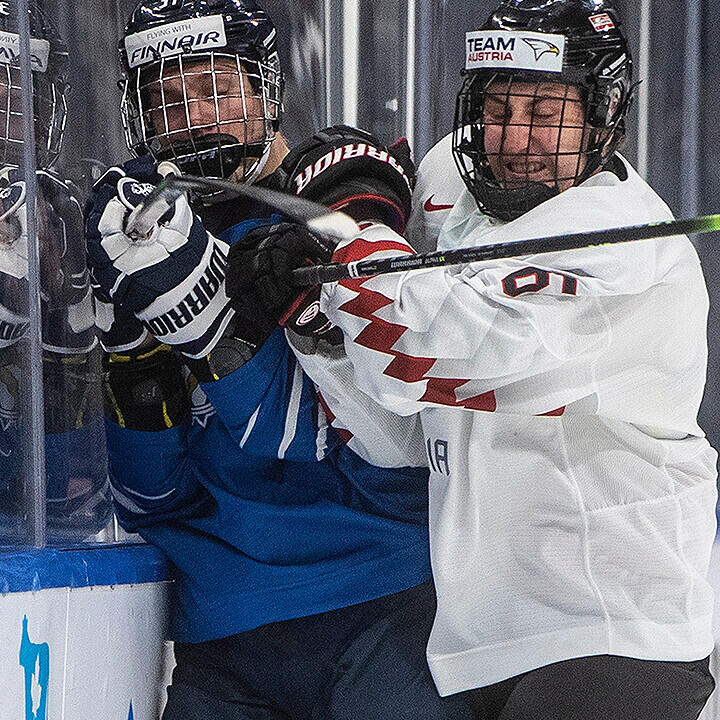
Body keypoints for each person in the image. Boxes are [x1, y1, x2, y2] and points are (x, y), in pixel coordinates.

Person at [230, 1, 719, 718]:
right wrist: (317, 327)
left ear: (603, 112)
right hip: (476, 642)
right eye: (498, 106)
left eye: (546, 110)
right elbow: (401, 432)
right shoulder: (451, 185)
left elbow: (427, 352)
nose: (516, 138)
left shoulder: (630, 254)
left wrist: (351, 243)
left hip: (614, 631)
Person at [84, 0, 474, 718]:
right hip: (225, 633)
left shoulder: (326, 209)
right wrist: (130, 356)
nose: (194, 117)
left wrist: (210, 323)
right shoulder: (140, 242)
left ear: (266, 91)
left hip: (385, 606)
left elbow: (385, 446)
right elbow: (152, 499)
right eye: (166, 100)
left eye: (214, 89)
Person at [0, 0, 110, 543]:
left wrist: (68, 326)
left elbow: (78, 491)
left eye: (18, 101)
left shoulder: (70, 217)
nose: (4, 124)